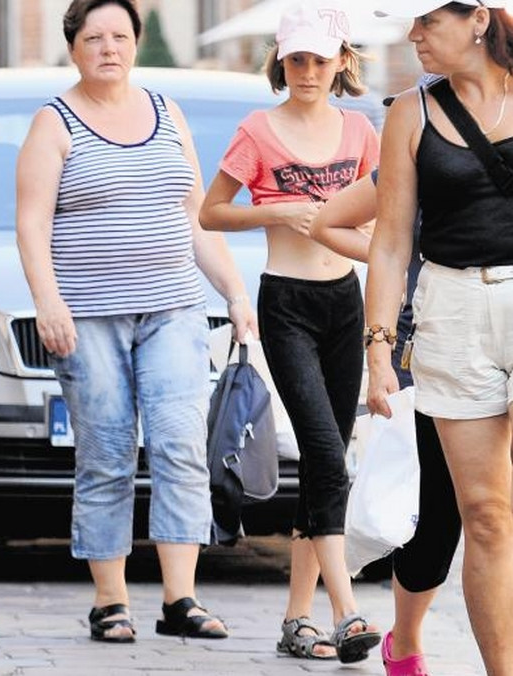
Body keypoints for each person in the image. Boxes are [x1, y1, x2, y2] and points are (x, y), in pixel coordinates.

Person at [16, 0, 257, 644]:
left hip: (175, 307)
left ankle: (181, 599)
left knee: (180, 443)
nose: (109, 48)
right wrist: (48, 300)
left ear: (136, 43)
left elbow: (194, 216)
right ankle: (110, 601)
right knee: (107, 451)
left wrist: (234, 290)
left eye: (120, 36)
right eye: (94, 37)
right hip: (89, 316)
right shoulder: (53, 122)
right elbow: (33, 223)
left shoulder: (167, 112)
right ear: (73, 48)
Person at [199, 0, 381, 663]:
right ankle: (347, 612)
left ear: (341, 63)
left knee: (324, 471)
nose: (307, 70)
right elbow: (212, 211)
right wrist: (278, 211)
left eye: (319, 59)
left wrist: (390, 280)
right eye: (296, 59)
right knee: (329, 457)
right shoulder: (258, 129)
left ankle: (297, 620)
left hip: (346, 302)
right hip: (288, 305)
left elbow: (378, 230)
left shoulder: (361, 131)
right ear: (281, 61)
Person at [366, 2, 513, 673]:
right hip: (452, 308)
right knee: (483, 515)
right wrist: (378, 349)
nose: (412, 35)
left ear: (477, 18)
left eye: (425, 20)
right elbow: (391, 244)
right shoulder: (410, 113)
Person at [312, 161, 463, 676]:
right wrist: (403, 259)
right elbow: (328, 223)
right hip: (429, 342)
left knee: (493, 514)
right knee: (440, 515)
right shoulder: (427, 137)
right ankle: (409, 636)